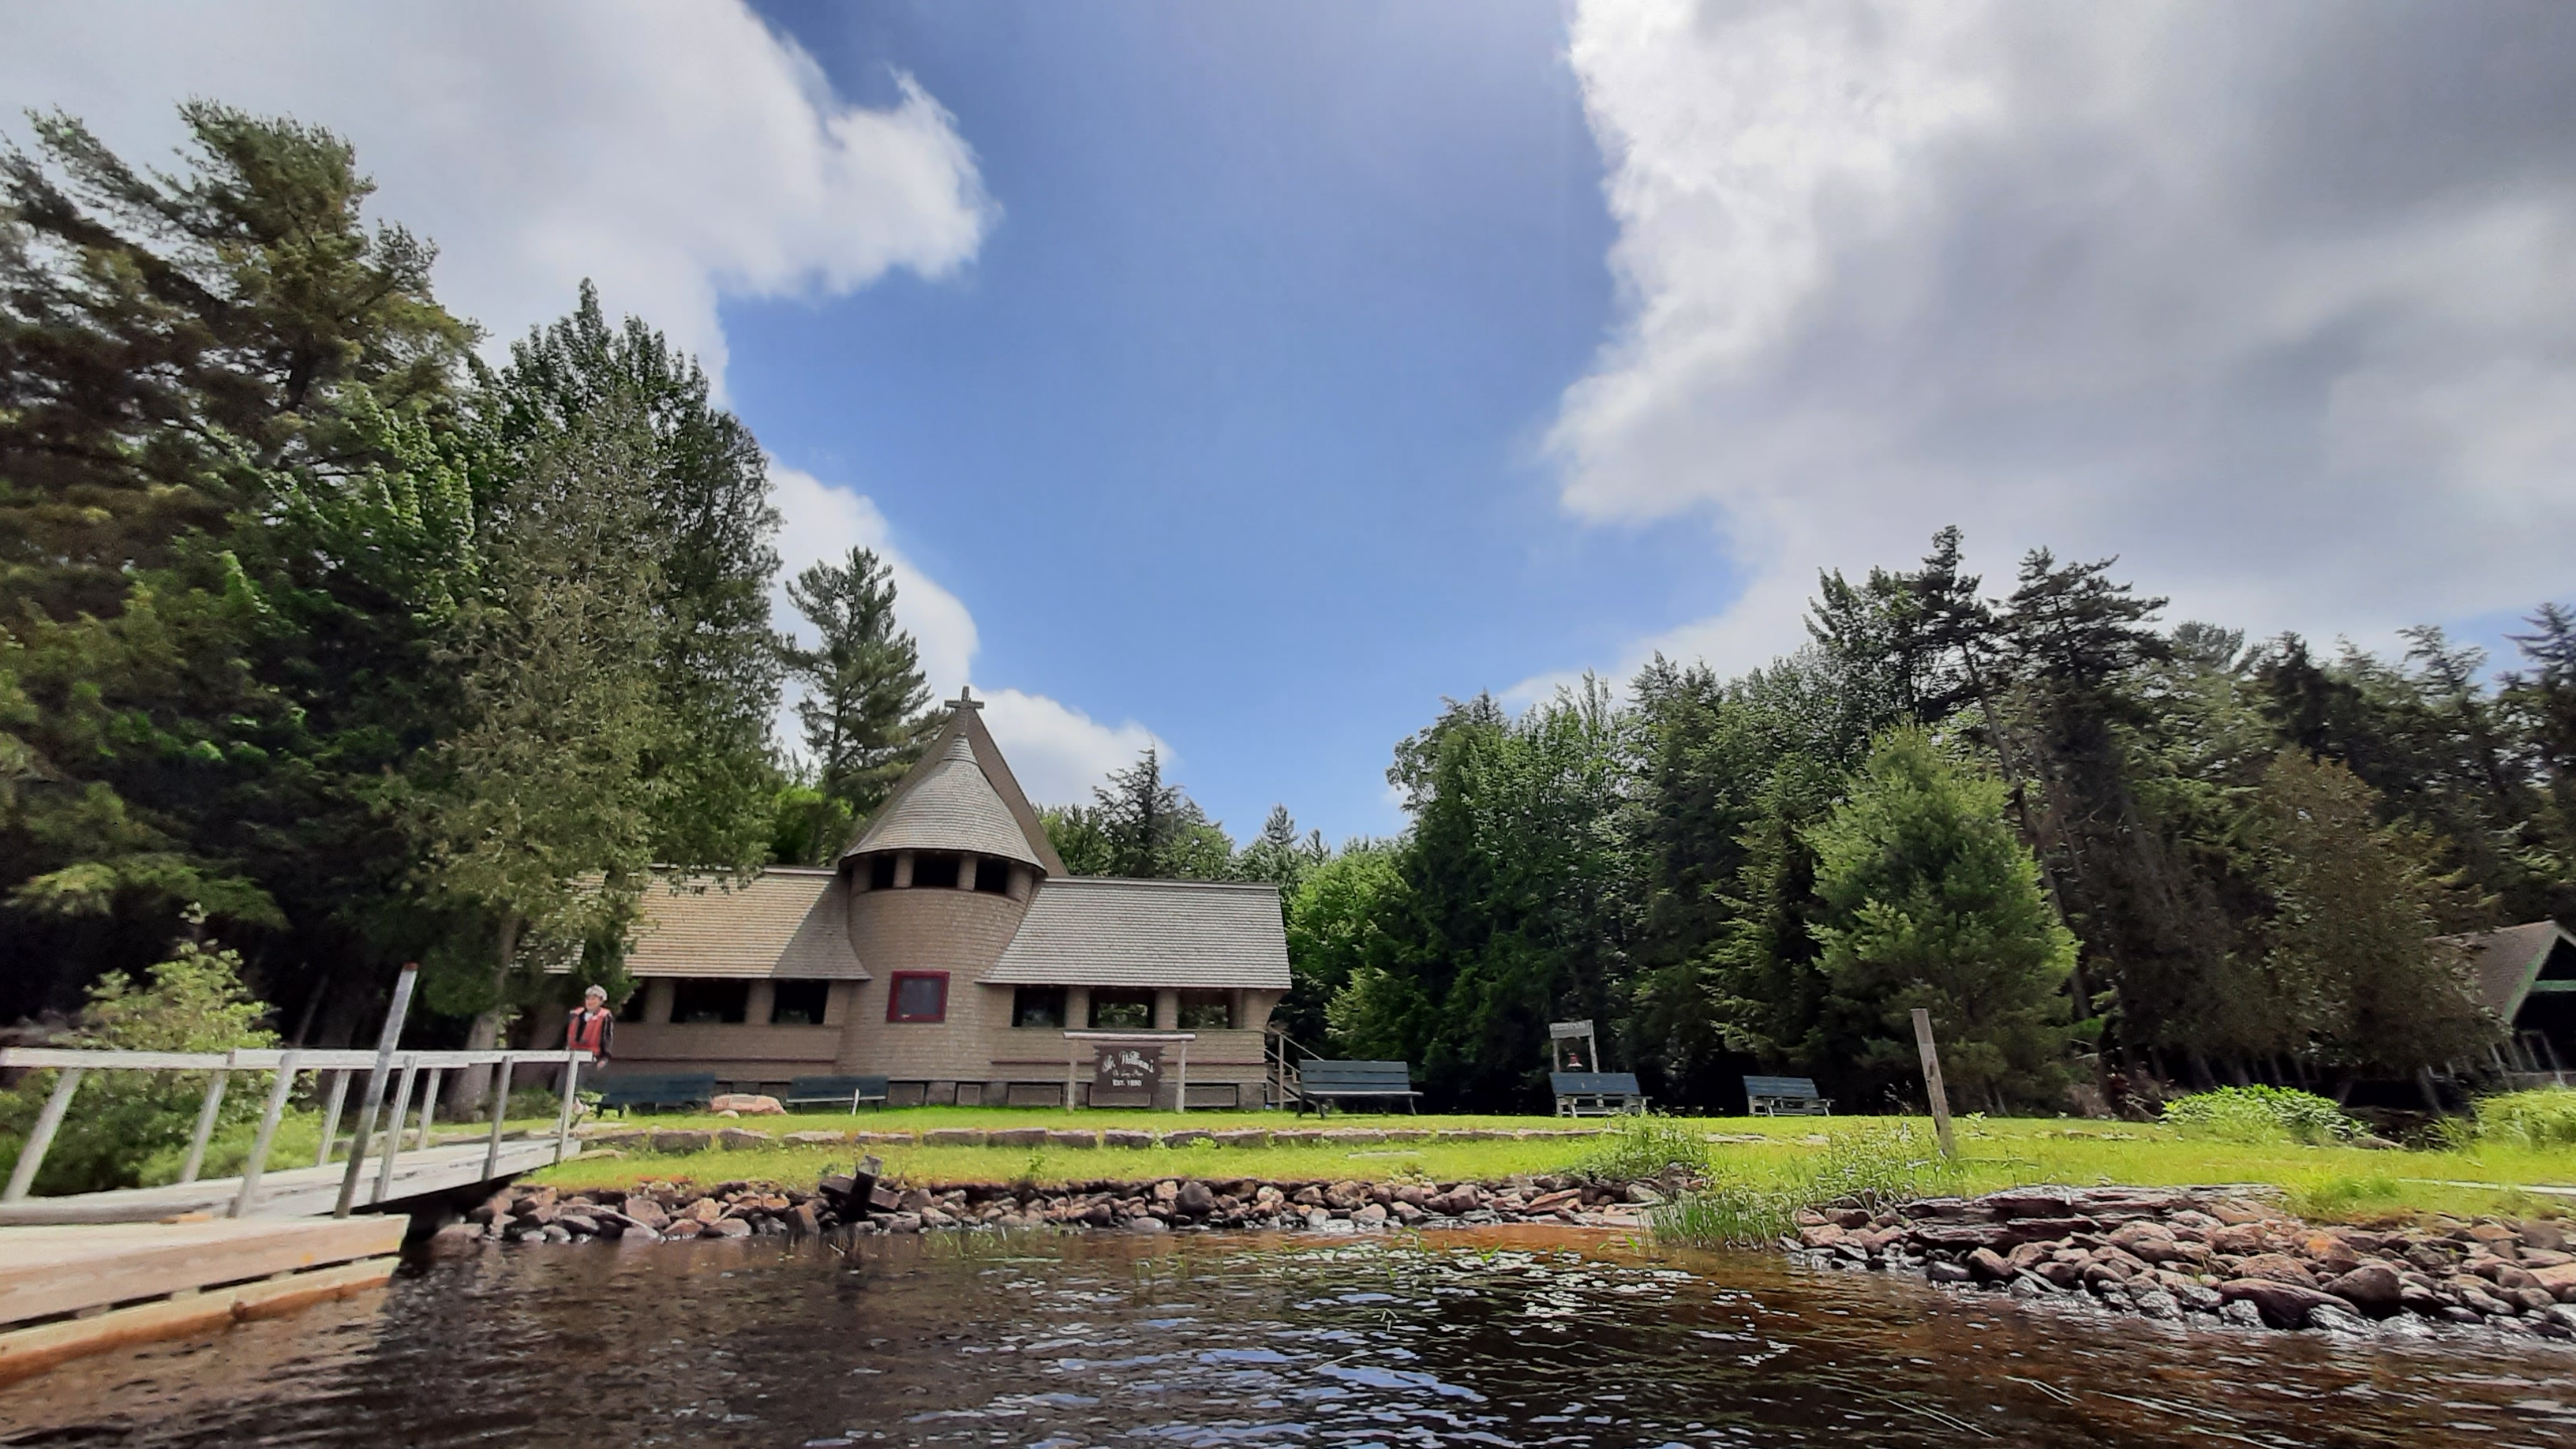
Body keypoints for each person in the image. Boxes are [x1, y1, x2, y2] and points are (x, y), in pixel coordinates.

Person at [566, 984, 615, 1065]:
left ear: (601, 1001)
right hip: (572, 1054)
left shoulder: (604, 1016)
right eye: (588, 999)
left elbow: (607, 1037)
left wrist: (604, 1057)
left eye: (593, 999)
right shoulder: (575, 1014)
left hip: (592, 1056)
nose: (590, 1002)